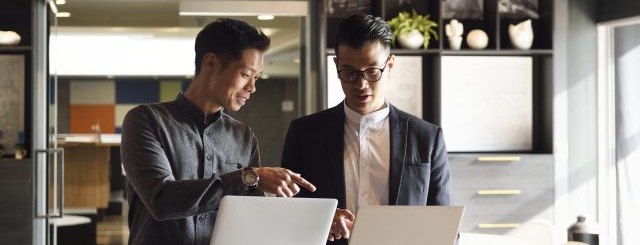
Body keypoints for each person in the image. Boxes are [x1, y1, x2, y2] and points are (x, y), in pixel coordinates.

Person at [121, 18, 316, 245]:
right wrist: (248, 178)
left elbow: (253, 218)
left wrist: (314, 224)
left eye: (256, 78)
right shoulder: (146, 120)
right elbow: (162, 200)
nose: (252, 87)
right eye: (245, 74)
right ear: (211, 62)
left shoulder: (244, 137)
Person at [281, 14, 452, 244]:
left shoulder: (427, 138)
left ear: (390, 65)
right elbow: (285, 215)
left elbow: (443, 227)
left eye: (372, 71)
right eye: (350, 72)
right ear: (336, 66)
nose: (361, 85)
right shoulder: (304, 134)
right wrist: (322, 218)